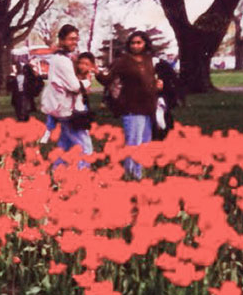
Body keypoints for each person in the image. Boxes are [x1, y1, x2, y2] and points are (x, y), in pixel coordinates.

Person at [96, 30, 162, 179]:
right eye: (133, 43)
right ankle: (130, 176)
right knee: (133, 145)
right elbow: (108, 80)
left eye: (139, 42)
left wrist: (158, 85)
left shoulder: (148, 60)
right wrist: (97, 73)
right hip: (132, 108)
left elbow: (150, 80)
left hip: (149, 108)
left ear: (145, 44)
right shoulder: (123, 61)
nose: (135, 46)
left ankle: (139, 176)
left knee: (144, 145)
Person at [40, 25, 93, 165]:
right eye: (71, 39)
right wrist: (87, 82)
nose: (74, 42)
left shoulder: (59, 58)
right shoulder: (62, 61)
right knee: (86, 148)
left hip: (62, 109)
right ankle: (83, 179)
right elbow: (75, 86)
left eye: (76, 39)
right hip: (69, 111)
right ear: (61, 40)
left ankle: (57, 175)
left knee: (65, 146)